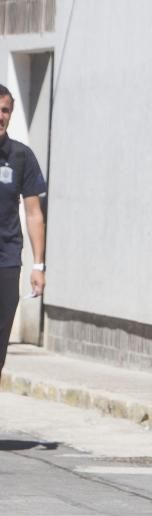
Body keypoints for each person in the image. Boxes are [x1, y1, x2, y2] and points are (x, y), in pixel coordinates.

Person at [0, 84, 47, 377]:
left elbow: (33, 212)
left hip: (6, 261)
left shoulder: (21, 157)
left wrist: (38, 265)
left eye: (4, 110)